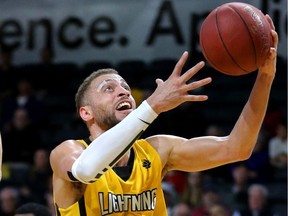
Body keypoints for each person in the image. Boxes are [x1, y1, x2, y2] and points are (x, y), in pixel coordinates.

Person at [49, 15, 278, 215]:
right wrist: (152, 106)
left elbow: (237, 148)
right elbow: (87, 170)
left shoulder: (157, 150)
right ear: (85, 112)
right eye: (109, 88)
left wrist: (265, 77)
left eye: (125, 88)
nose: (122, 91)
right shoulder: (68, 152)